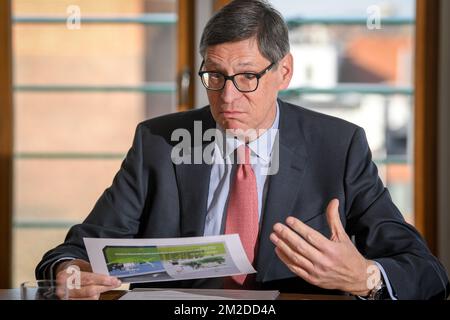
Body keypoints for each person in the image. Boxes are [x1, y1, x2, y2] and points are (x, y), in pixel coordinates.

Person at [36, 0, 449, 300]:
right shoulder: (158, 143)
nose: (228, 95)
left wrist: (366, 277)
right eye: (214, 75)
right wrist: (69, 272)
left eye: (247, 76)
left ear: (283, 72)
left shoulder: (338, 146)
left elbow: (426, 270)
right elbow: (76, 251)